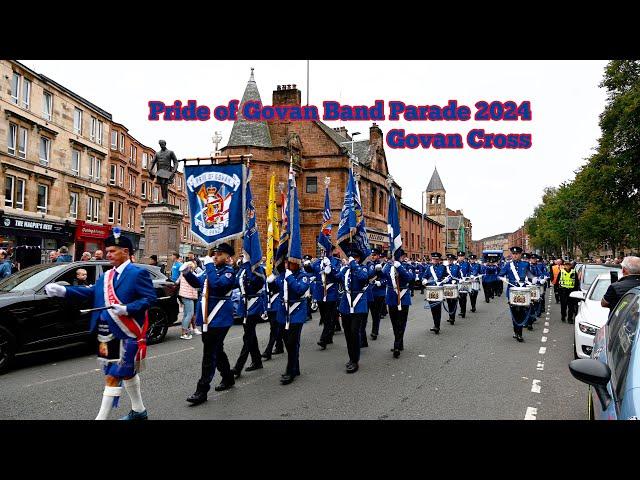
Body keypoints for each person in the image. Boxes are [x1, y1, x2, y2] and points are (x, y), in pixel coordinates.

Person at [44, 231, 157, 420]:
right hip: (107, 333)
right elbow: (91, 294)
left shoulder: (138, 273)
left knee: (114, 376)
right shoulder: (107, 276)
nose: (108, 254)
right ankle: (139, 411)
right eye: (107, 251)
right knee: (126, 374)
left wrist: (128, 308)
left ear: (125, 251)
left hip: (128, 333)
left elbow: (150, 299)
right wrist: (65, 291)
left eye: (112, 251)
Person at [184, 243, 237, 406]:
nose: (215, 256)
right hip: (208, 318)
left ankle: (202, 390)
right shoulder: (211, 270)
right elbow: (197, 283)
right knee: (216, 350)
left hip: (219, 318)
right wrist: (186, 272)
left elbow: (217, 285)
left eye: (219, 254)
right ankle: (228, 377)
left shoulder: (229, 272)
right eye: (215, 253)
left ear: (228, 258)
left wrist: (208, 265)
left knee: (209, 353)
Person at [270, 257, 310, 385]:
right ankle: (295, 367)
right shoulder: (283, 275)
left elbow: (299, 290)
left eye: (291, 262)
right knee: (286, 341)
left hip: (297, 312)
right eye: (286, 262)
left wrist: (289, 277)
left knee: (292, 341)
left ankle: (290, 370)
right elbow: (276, 289)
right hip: (283, 312)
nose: (287, 264)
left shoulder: (303, 275)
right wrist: (270, 282)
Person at [230, 256, 266, 378]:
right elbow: (235, 283)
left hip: (254, 305)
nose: (243, 257)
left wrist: (249, 269)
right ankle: (257, 361)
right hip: (244, 305)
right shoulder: (242, 269)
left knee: (248, 336)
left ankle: (238, 367)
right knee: (250, 335)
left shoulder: (258, 269)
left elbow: (258, 283)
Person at [337, 245, 370, 373]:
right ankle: (351, 358)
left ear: (359, 259)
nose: (353, 259)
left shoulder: (362, 268)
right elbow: (336, 277)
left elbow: (363, 278)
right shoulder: (345, 270)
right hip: (345, 305)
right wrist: (328, 267)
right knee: (347, 333)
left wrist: (353, 264)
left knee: (354, 332)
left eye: (355, 257)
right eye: (351, 257)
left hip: (358, 304)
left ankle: (355, 360)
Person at [499, 246, 534, 342]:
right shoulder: (507, 265)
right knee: (514, 312)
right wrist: (503, 278)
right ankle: (516, 331)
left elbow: (529, 275)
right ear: (511, 255)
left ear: (520, 254)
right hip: (512, 292)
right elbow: (500, 275)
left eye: (517, 254)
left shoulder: (525, 264)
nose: (515, 255)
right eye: (513, 254)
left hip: (523, 291)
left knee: (522, 312)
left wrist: (533, 279)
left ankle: (520, 333)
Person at [383, 249, 413, 356]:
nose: (394, 258)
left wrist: (399, 267)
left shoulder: (407, 266)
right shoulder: (387, 266)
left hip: (403, 296)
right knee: (394, 321)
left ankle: (397, 344)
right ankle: (399, 341)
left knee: (402, 321)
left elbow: (409, 278)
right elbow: (383, 276)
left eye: (397, 256)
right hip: (392, 297)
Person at [314, 244, 342, 350]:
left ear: (331, 251)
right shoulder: (317, 262)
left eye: (326, 250)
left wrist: (331, 267)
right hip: (320, 292)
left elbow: (338, 276)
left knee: (329, 316)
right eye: (322, 250)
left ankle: (323, 339)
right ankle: (329, 336)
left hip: (331, 292)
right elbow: (311, 271)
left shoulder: (336, 262)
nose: (323, 252)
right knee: (324, 317)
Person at [262, 254, 285, 360]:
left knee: (275, 328)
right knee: (275, 327)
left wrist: (271, 281)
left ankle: (268, 350)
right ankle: (279, 346)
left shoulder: (281, 274)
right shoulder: (267, 271)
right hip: (270, 304)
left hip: (277, 303)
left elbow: (277, 287)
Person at [422, 251, 450, 334]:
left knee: (437, 308)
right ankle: (435, 324)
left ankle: (437, 326)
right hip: (431, 290)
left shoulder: (443, 267)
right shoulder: (428, 268)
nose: (434, 260)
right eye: (433, 259)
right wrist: (424, 280)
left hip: (439, 289)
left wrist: (446, 279)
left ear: (439, 260)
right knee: (433, 308)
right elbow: (424, 276)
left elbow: (448, 276)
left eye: (436, 259)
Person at [366, 248, 387, 341]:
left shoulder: (384, 265)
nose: (373, 257)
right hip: (368, 292)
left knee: (376, 314)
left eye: (374, 255)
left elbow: (387, 279)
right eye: (372, 255)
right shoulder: (367, 264)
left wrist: (381, 283)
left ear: (378, 256)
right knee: (364, 314)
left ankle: (375, 331)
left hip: (379, 293)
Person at [177, 260, 200, 339]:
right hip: (189, 296)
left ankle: (185, 331)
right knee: (190, 314)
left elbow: (177, 282)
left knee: (186, 314)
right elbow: (197, 284)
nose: (193, 269)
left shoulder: (182, 274)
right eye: (192, 268)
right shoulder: (190, 275)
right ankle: (184, 333)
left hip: (183, 295)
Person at [456, 251, 471, 318]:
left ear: (464, 257)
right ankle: (461, 310)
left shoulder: (467, 264)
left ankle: (463, 311)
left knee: (463, 297)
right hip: (457, 282)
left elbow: (470, 271)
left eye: (461, 256)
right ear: (457, 257)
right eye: (459, 256)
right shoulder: (455, 264)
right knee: (459, 297)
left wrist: (468, 277)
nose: (460, 258)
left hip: (464, 282)